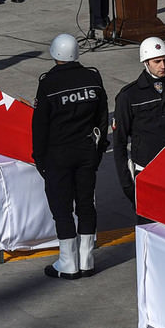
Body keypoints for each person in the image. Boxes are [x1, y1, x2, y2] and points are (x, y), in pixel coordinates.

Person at [32, 33, 109, 279]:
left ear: (55, 55)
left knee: (62, 207)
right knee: (86, 204)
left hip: (58, 155)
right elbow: (102, 119)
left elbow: (40, 126)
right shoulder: (93, 79)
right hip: (87, 151)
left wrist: (39, 158)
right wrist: (97, 150)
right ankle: (87, 260)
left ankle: (68, 262)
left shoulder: (48, 84)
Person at [112, 37, 165, 216]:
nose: (163, 65)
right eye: (157, 61)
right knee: (150, 228)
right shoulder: (129, 96)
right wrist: (127, 183)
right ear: (145, 62)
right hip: (147, 173)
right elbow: (119, 142)